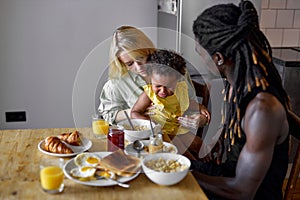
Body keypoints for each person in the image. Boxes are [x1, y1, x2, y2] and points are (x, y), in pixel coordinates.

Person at [188, 1, 291, 199]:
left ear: (218, 58)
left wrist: (183, 174)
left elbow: (242, 191)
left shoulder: (263, 109)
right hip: (228, 174)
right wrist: (221, 138)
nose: (200, 60)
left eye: (200, 53)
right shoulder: (239, 81)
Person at [98, 26, 208, 130]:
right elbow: (107, 114)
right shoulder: (118, 81)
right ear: (122, 63)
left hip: (177, 132)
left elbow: (190, 105)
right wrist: (136, 111)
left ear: (147, 50)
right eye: (130, 63)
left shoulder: (173, 68)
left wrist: (202, 119)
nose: (139, 67)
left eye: (140, 57)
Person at [131, 49, 210, 135]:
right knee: (181, 145)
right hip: (158, 131)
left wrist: (200, 107)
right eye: (158, 86)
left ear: (177, 81)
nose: (163, 91)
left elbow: (187, 103)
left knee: (198, 144)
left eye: (169, 86)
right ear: (150, 79)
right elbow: (134, 113)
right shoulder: (149, 94)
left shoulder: (179, 90)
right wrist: (150, 123)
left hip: (176, 128)